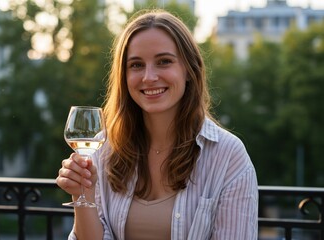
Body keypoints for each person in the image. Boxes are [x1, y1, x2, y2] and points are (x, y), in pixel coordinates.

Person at [56, 9, 258, 240]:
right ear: (124, 76)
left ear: (189, 70)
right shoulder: (104, 148)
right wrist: (83, 196)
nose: (149, 77)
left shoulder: (228, 156)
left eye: (164, 62)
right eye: (136, 65)